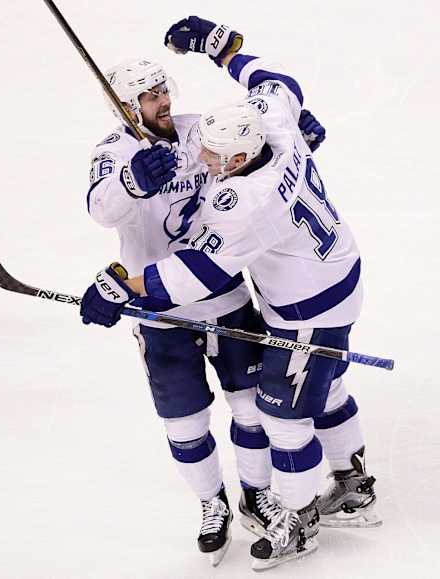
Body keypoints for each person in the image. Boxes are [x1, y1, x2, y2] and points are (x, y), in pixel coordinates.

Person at [81, 20, 380, 571]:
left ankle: (294, 512)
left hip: (279, 304)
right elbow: (273, 84)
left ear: (238, 159)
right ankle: (336, 485)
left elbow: (196, 269)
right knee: (201, 419)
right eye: (148, 97)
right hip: (326, 279)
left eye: (218, 162)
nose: (209, 167)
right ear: (124, 105)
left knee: (276, 416)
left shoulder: (241, 201)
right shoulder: (271, 126)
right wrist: (223, 48)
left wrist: (120, 284)